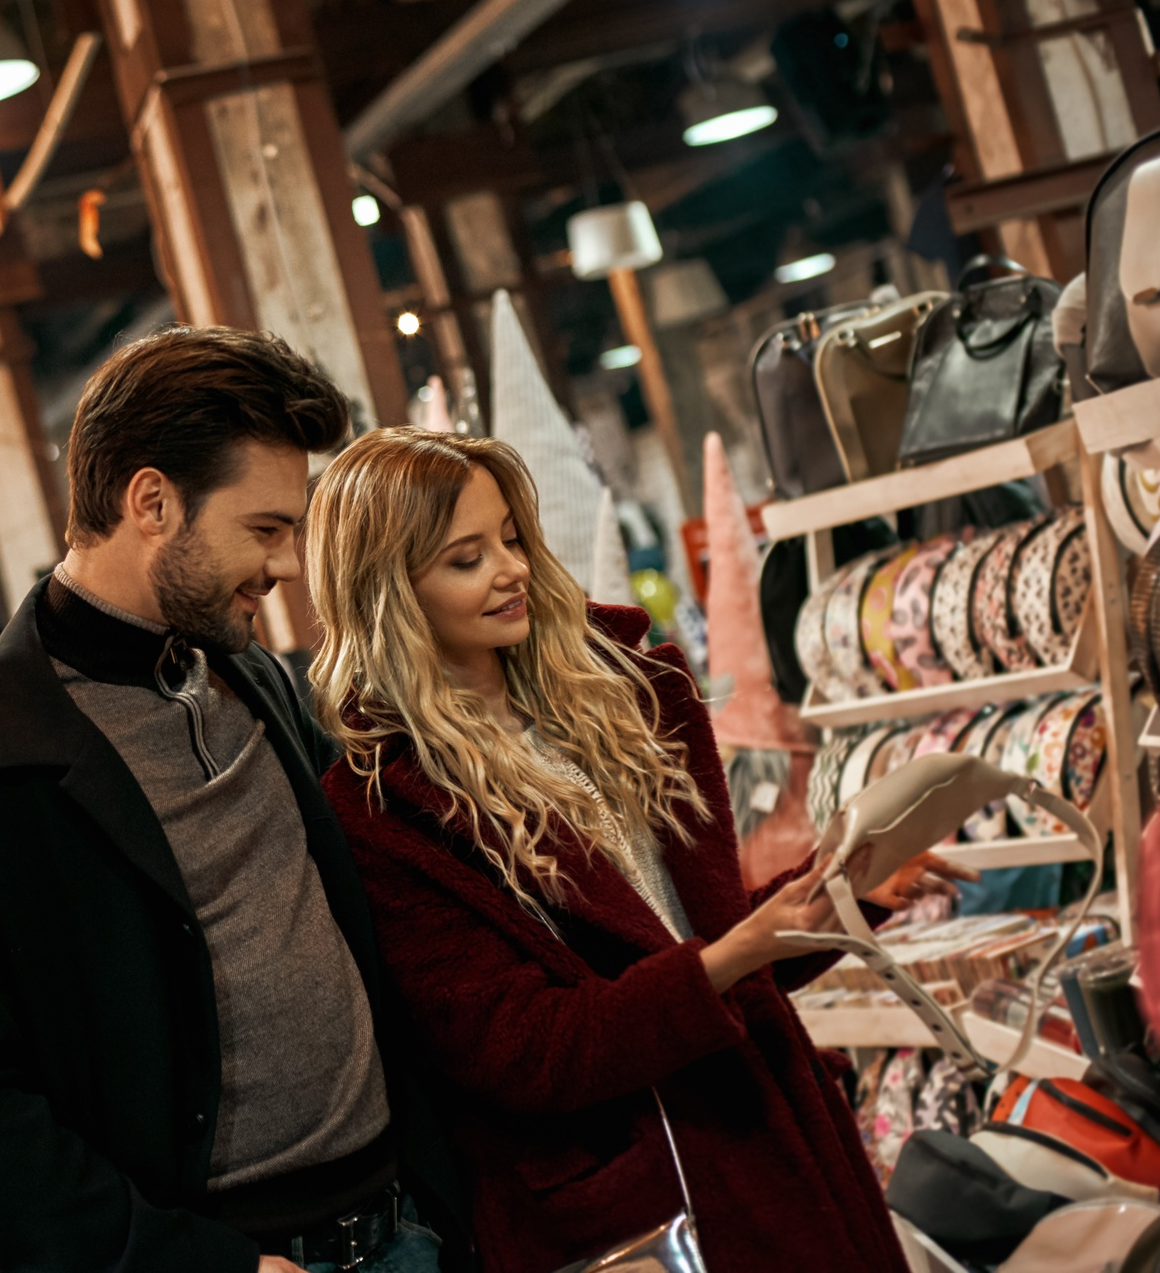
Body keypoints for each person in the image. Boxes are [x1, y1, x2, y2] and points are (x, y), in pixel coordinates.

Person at [0, 327, 467, 1273]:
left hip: (400, 1227)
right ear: (153, 502)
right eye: (265, 529)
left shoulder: (254, 679)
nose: (286, 565)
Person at [305, 429, 975, 1273]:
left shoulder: (615, 699)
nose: (511, 569)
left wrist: (842, 893)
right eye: (465, 558)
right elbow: (525, 1048)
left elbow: (693, 932)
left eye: (511, 537)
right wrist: (738, 952)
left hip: (769, 1133)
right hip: (644, 1202)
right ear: (389, 593)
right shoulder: (386, 803)